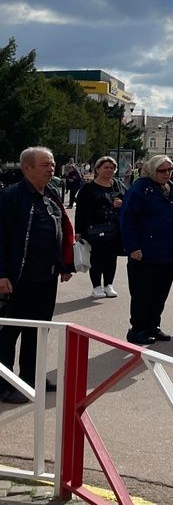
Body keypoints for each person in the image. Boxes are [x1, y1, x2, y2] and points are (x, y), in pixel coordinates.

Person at [0, 147, 75, 404]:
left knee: (38, 331)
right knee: (9, 334)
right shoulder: (11, 197)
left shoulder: (51, 194)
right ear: (27, 168)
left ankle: (31, 379)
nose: (51, 168)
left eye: (52, 164)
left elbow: (59, 232)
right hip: (16, 279)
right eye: (45, 164)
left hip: (46, 279)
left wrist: (64, 264)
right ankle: (5, 385)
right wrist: (1, 275)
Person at [121, 155, 173, 345]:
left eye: (170, 170)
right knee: (143, 292)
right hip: (146, 251)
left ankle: (153, 325)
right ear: (152, 170)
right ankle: (137, 329)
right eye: (162, 170)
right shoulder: (139, 189)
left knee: (160, 292)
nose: (167, 174)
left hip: (169, 250)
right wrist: (133, 247)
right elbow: (127, 219)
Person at [74, 156, 126, 299]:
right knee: (96, 258)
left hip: (114, 228)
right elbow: (81, 210)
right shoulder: (88, 188)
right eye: (106, 167)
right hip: (94, 229)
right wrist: (78, 231)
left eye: (112, 168)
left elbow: (129, 201)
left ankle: (109, 284)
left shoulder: (118, 185)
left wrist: (122, 204)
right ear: (97, 169)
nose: (109, 170)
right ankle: (96, 286)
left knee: (111, 257)